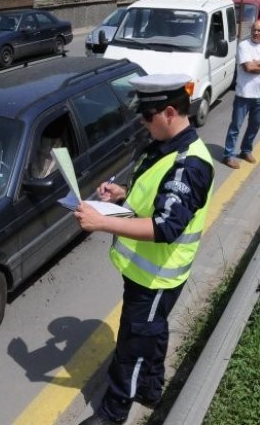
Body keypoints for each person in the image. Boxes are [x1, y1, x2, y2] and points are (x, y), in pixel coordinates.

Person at [74, 74, 214, 425]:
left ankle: (113, 412)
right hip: (145, 271)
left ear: (169, 112)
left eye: (147, 115)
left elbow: (166, 225)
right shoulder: (162, 145)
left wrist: (102, 221)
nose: (141, 121)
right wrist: (122, 195)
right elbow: (153, 198)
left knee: (133, 343)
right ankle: (151, 388)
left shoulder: (189, 165)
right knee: (152, 329)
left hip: (157, 276)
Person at [222, 20, 260, 169]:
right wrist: (253, 64)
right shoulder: (243, 45)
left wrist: (256, 63)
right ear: (251, 30)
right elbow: (248, 67)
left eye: (259, 31)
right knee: (235, 126)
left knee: (255, 126)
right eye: (254, 30)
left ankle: (246, 150)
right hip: (244, 95)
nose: (256, 33)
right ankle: (228, 155)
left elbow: (253, 66)